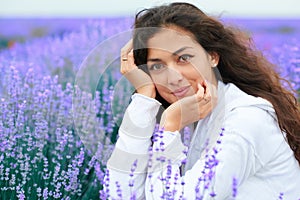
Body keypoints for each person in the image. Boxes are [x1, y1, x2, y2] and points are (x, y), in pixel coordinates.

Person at [104, 2, 300, 199]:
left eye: (184, 58)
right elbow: (121, 194)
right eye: (157, 67)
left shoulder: (245, 120)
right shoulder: (188, 113)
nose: (173, 77)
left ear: (212, 56)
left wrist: (170, 127)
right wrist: (144, 97)